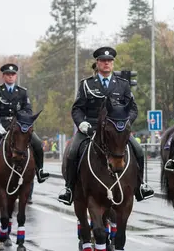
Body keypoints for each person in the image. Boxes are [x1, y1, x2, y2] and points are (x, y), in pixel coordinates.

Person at [57, 46, 155, 205]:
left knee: (138, 151)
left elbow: (133, 108)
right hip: (91, 128)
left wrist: (126, 123)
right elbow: (77, 109)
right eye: (103, 61)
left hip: (117, 129)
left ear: (113, 64)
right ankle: (69, 189)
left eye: (109, 61)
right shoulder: (86, 84)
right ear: (97, 63)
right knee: (72, 152)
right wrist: (81, 123)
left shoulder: (122, 84)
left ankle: (140, 186)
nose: (106, 63)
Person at [0, 63, 50, 185]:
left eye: (13, 74)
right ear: (3, 76)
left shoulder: (22, 92)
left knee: (37, 143)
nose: (10, 77)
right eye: (8, 74)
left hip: (19, 125)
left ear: (16, 76)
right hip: (2, 124)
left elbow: (28, 109)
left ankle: (40, 170)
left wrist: (24, 121)